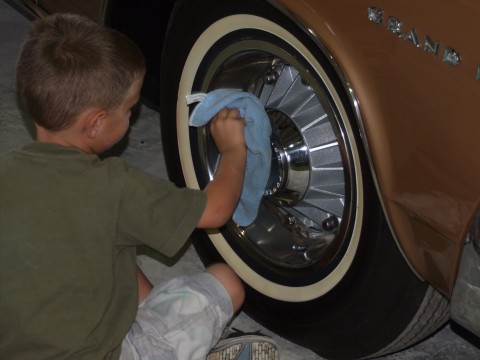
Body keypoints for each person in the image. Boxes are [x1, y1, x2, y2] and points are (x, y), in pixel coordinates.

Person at [0, 13, 278, 360]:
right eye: (130, 110)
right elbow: (215, 211)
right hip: (106, 353)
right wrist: (233, 149)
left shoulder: (7, 172)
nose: (132, 117)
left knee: (100, 241)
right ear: (97, 123)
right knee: (226, 281)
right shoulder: (112, 186)